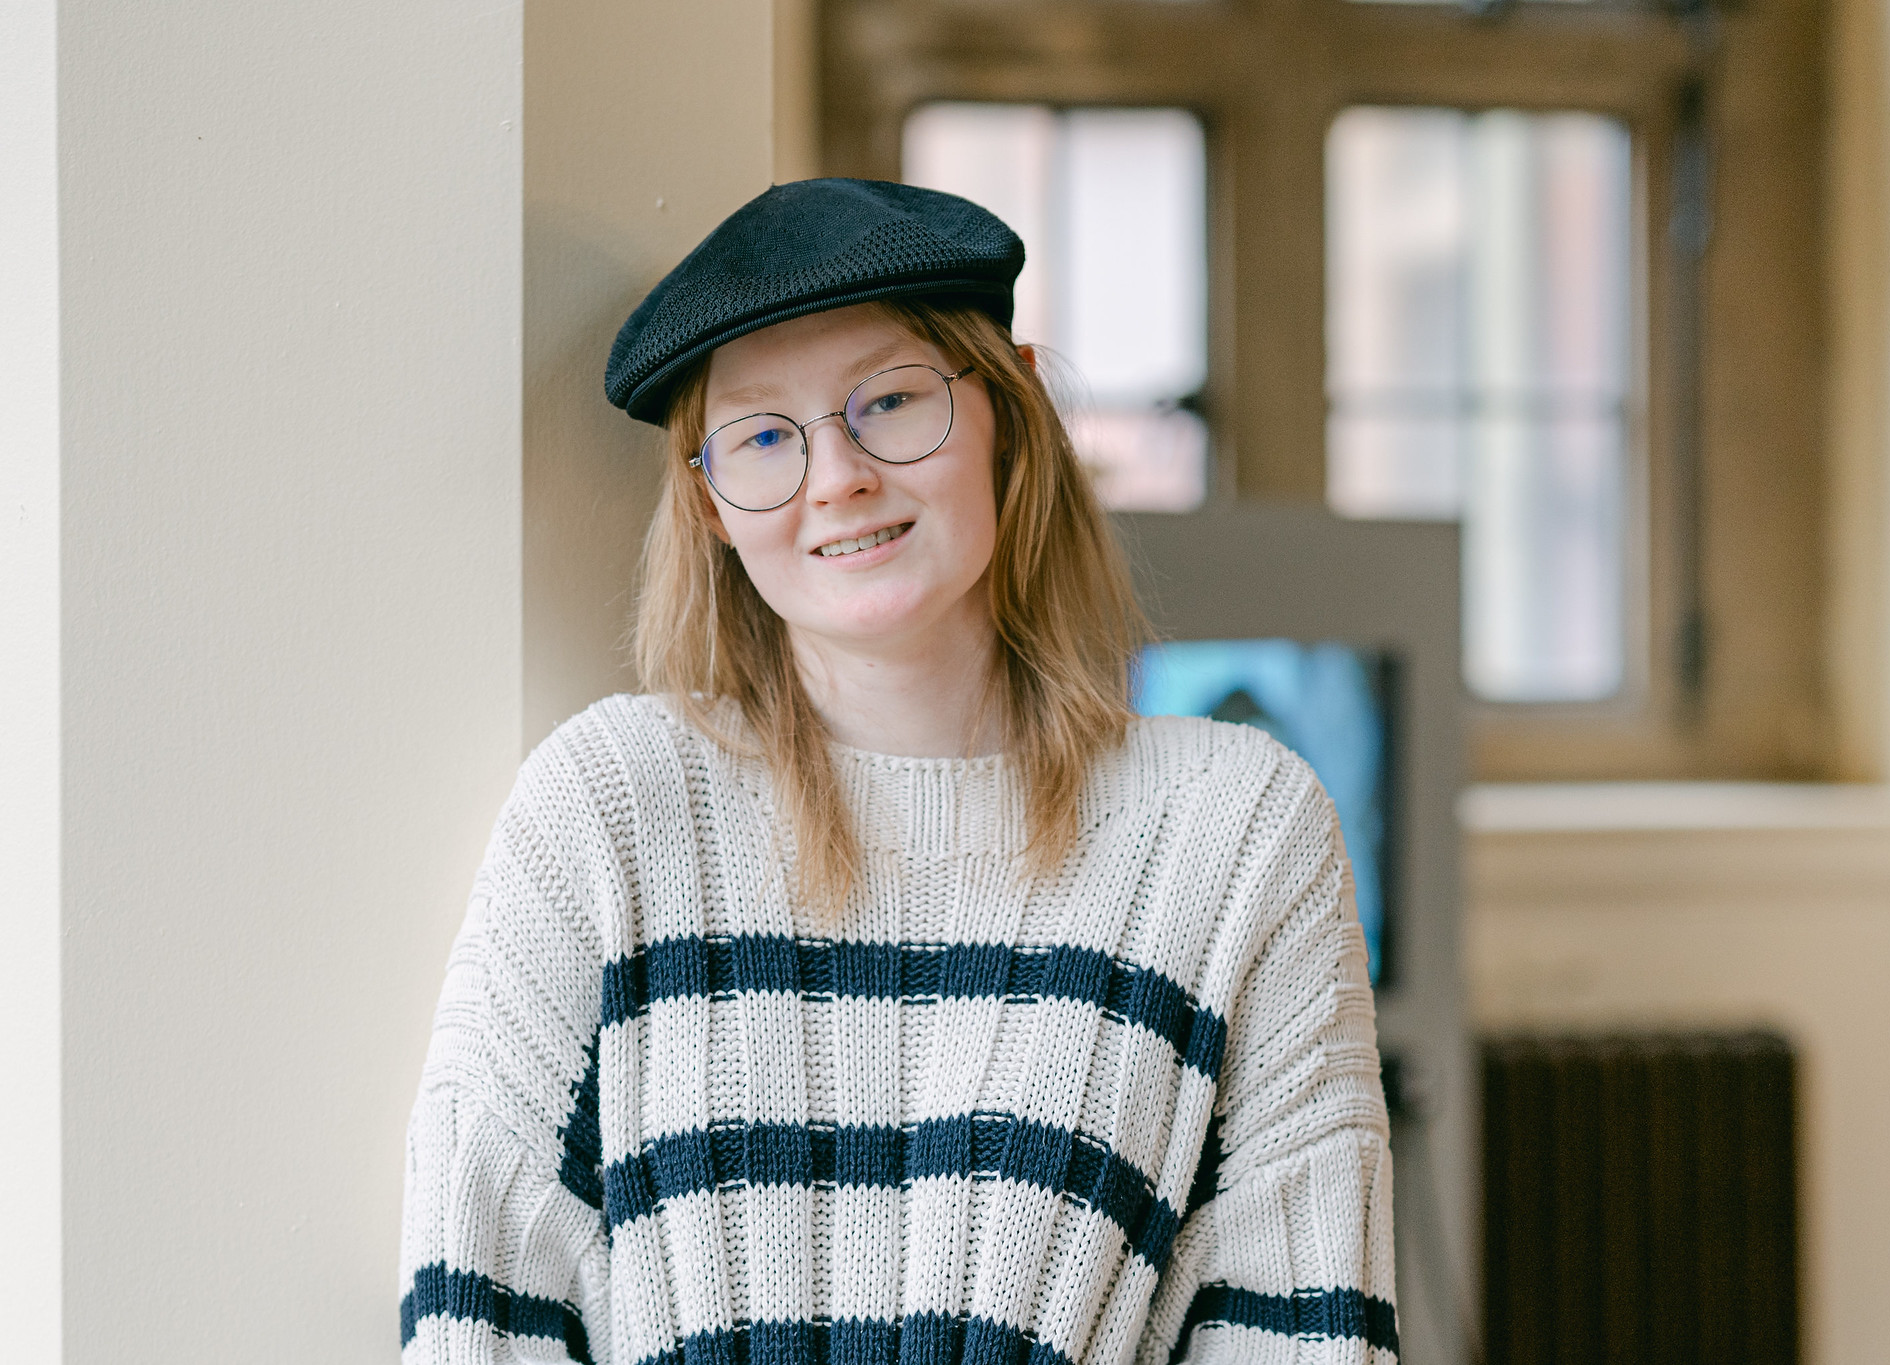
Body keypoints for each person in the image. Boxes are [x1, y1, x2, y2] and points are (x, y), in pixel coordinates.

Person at [398, 178, 1398, 1365]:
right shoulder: (606, 807)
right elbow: (481, 1313)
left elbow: (1304, 1333)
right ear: (710, 503)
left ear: (1009, 411)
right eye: (764, 436)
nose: (838, 479)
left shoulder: (1236, 832)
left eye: (890, 401)